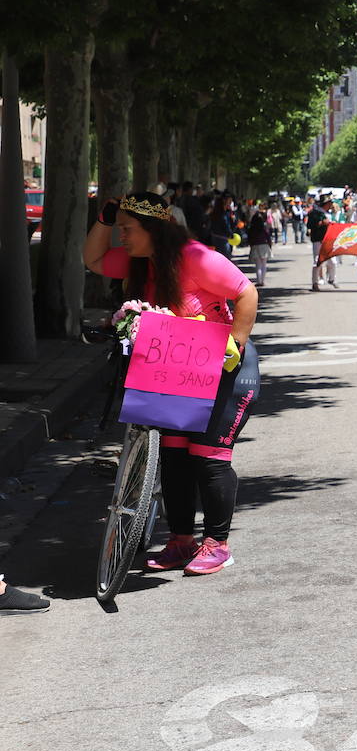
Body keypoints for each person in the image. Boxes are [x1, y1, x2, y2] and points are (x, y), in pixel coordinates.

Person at [83, 192, 262, 577]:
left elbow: (247, 292)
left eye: (128, 230)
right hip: (181, 373)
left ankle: (218, 544)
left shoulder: (195, 257)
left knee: (208, 457)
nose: (122, 237)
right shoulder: (140, 264)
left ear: (153, 229)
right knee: (175, 456)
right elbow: (93, 259)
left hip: (228, 369)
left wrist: (238, 340)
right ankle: (182, 540)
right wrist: (105, 217)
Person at [308, 194, 337, 290]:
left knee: (332, 261)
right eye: (329, 203)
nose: (331, 205)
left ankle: (331, 279)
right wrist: (321, 223)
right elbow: (310, 225)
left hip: (329, 240)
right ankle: (314, 282)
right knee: (317, 261)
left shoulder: (329, 213)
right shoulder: (314, 213)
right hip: (318, 240)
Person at [246, 203, 272, 286]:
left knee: (258, 265)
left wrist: (251, 245)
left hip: (255, 245)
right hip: (264, 245)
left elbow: (249, 239)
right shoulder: (263, 229)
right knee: (264, 264)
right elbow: (268, 238)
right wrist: (270, 245)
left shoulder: (252, 229)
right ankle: (263, 281)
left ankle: (259, 281)